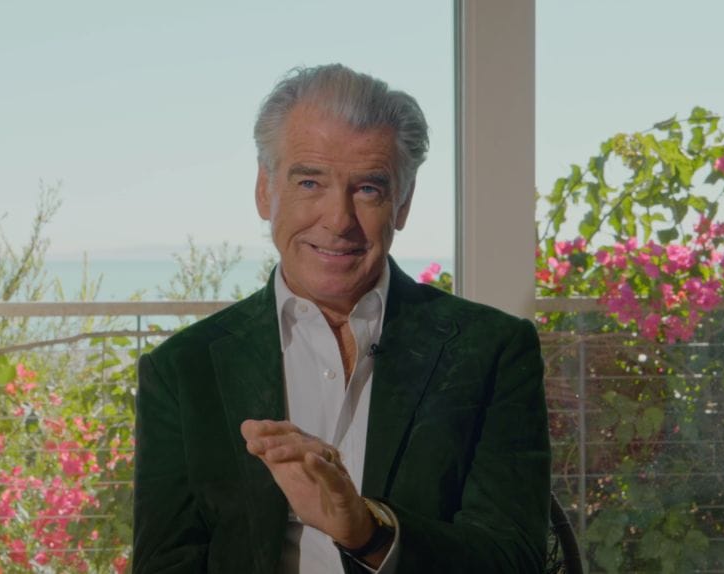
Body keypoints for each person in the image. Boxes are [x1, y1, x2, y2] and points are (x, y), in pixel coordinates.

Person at [133, 63, 550, 573]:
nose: (338, 220)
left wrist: (369, 532)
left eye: (368, 189)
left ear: (403, 202)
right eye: (310, 182)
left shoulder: (492, 350)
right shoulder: (182, 370)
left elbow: (514, 561)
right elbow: (164, 565)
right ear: (266, 190)